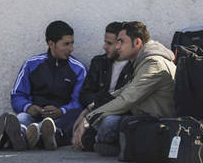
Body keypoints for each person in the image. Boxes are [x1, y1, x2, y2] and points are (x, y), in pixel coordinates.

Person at [75, 21, 176, 156]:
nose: (117, 47)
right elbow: (121, 92)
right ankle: (112, 145)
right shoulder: (143, 61)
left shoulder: (154, 64)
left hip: (158, 125)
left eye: (121, 42)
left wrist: (88, 119)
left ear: (137, 43)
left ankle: (101, 143)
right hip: (143, 119)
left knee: (108, 123)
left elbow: (127, 99)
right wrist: (90, 109)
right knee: (103, 119)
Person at [0, 20, 86, 151]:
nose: (71, 49)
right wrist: (29, 107)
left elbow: (79, 101)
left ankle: (17, 137)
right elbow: (17, 95)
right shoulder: (31, 64)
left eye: (72, 43)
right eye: (66, 44)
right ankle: (24, 134)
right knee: (21, 117)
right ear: (51, 44)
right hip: (34, 115)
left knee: (74, 116)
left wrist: (62, 110)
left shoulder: (78, 69)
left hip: (61, 117)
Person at [72, 22, 132, 151]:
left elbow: (124, 99)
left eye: (109, 44)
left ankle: (97, 141)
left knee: (109, 122)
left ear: (121, 44)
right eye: (105, 42)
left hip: (116, 114)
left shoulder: (133, 66)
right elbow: (85, 94)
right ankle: (101, 142)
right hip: (95, 112)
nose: (104, 47)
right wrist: (92, 108)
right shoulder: (99, 62)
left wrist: (91, 109)